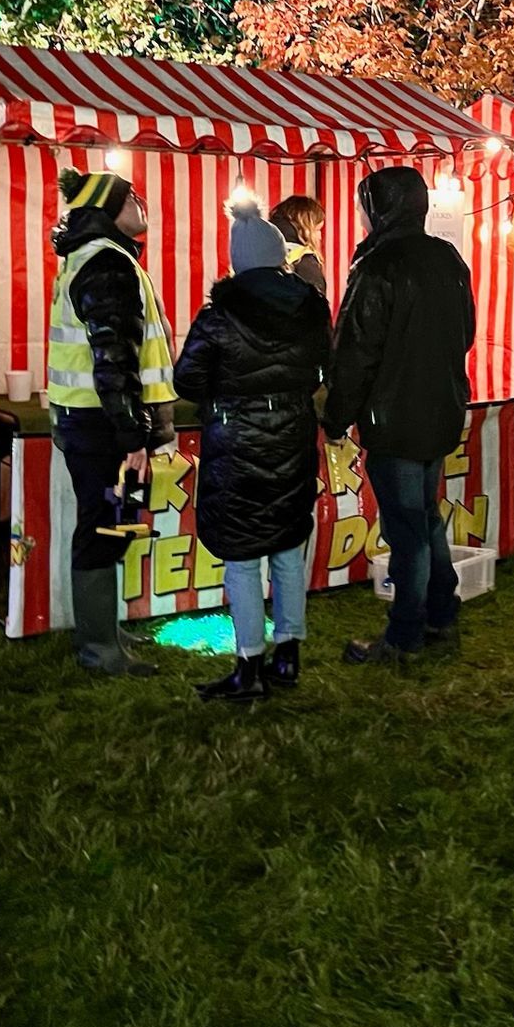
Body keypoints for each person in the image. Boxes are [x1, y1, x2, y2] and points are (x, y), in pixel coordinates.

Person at [173, 201, 332, 702]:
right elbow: (325, 366)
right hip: (292, 434)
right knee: (287, 548)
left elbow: (188, 379)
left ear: (238, 260)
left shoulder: (219, 313)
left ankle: (248, 665)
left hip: (236, 441)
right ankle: (288, 654)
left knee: (242, 558)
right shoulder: (311, 304)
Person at [323, 167, 475, 666]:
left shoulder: (378, 266)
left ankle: (406, 635)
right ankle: (440, 613)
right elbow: (466, 332)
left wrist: (335, 416)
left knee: (408, 528)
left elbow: (354, 353)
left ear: (380, 208)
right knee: (425, 519)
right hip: (440, 409)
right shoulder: (446, 258)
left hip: (396, 419)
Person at [47, 168, 178, 678]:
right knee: (103, 527)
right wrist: (134, 437)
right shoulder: (107, 265)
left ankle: (105, 631)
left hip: (95, 421)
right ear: (107, 208)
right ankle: (99, 648)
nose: (141, 204)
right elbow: (113, 359)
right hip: (104, 427)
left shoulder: (100, 258)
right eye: (131, 197)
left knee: (114, 524)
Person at [269, 194, 329, 295]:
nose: (320, 237)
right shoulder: (304, 262)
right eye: (317, 230)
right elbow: (315, 308)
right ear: (305, 227)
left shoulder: (258, 252)